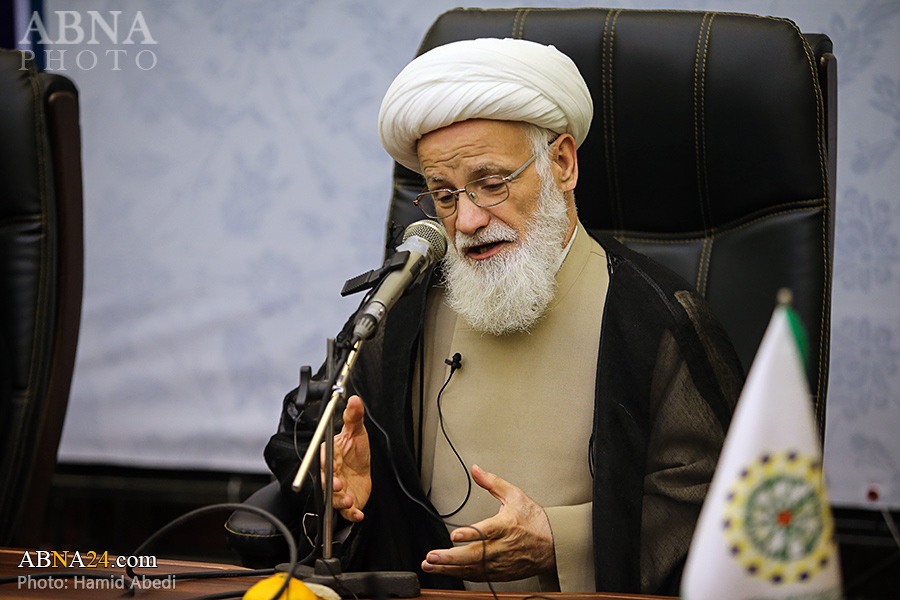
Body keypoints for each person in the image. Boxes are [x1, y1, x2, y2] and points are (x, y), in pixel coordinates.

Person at [264, 38, 742, 595]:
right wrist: (339, 480)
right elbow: (305, 433)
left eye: (491, 185)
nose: (466, 221)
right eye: (444, 196)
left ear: (562, 164)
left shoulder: (655, 317)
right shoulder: (404, 310)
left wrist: (561, 541)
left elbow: (717, 501)